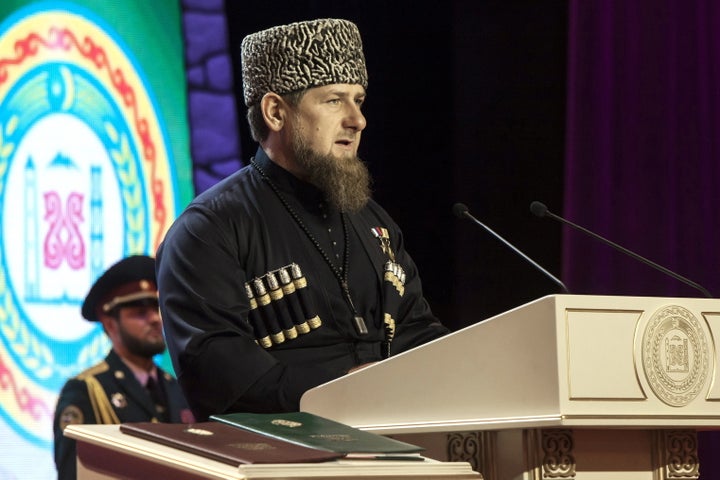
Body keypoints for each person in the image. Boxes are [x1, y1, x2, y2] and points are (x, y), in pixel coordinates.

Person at [156, 18, 449, 421]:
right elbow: (219, 379)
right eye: (334, 100)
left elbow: (417, 333)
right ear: (276, 112)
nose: (357, 120)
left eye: (359, 100)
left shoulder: (376, 225)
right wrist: (347, 388)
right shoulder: (209, 231)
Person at [53, 255, 194, 480]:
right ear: (110, 324)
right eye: (140, 313)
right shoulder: (86, 391)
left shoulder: (179, 388)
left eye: (155, 308)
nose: (155, 319)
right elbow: (73, 473)